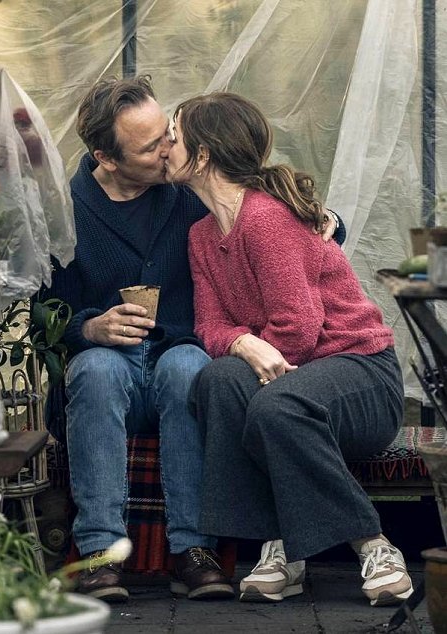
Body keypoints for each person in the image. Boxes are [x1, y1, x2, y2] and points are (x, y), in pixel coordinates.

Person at [42, 76, 344, 604]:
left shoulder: (189, 186)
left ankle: (194, 549)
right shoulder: (65, 211)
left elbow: (269, 212)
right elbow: (47, 313)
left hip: (181, 351)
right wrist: (89, 328)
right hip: (108, 368)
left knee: (188, 366)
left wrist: (327, 220)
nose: (168, 148)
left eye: (167, 132)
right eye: (149, 146)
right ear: (105, 158)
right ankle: (99, 550)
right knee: (94, 368)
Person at [165, 91, 413, 608]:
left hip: (361, 375)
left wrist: (258, 355)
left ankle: (373, 543)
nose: (166, 146)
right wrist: (241, 341)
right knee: (217, 380)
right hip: (293, 378)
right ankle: (281, 546)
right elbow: (209, 323)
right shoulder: (201, 235)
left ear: (203, 154)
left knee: (275, 405)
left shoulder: (265, 219)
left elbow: (298, 327)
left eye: (174, 136)